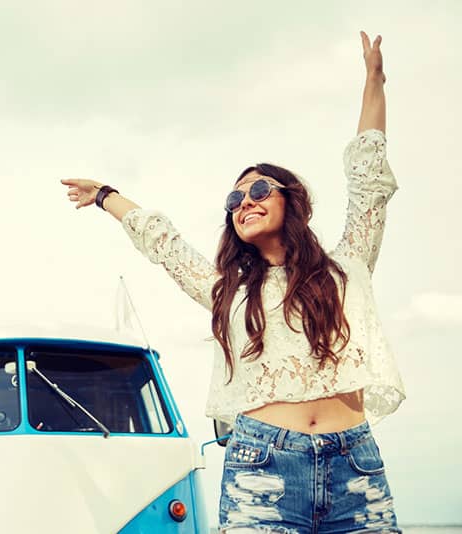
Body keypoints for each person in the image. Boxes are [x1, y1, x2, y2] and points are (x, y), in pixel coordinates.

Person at [61, 31, 404, 533]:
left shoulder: (346, 267)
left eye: (259, 189)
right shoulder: (229, 291)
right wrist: (106, 195)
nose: (244, 202)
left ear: (292, 200)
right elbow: (165, 244)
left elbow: (368, 182)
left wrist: (374, 83)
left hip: (354, 468)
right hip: (261, 469)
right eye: (235, 199)